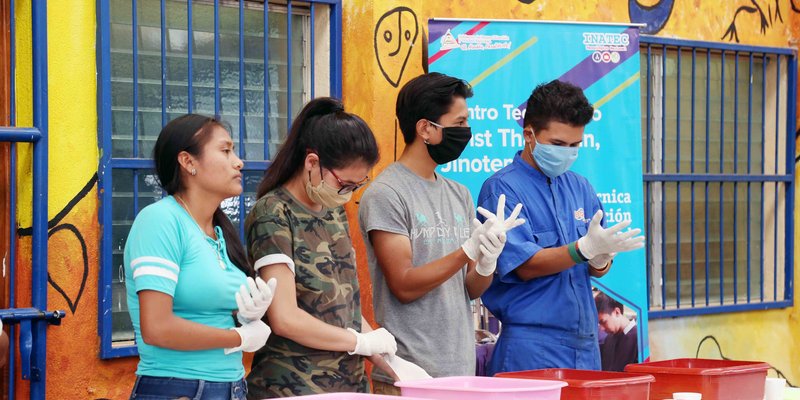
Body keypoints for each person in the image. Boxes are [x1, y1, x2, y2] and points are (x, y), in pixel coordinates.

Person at [359, 72, 523, 395]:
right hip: (408, 376)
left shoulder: (459, 193)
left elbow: (471, 288)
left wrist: (487, 261)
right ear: (426, 129)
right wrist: (466, 250)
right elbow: (403, 284)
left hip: (460, 374)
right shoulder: (387, 193)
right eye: (459, 123)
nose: (466, 132)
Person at [478, 80, 645, 374]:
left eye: (575, 146)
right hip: (531, 347)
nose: (566, 153)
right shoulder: (502, 189)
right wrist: (583, 249)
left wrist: (601, 257)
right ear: (529, 134)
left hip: (585, 344)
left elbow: (593, 269)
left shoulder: (580, 187)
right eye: (557, 144)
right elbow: (525, 266)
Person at [244, 97, 398, 398]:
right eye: (344, 184)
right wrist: (358, 342)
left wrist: (388, 359)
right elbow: (285, 318)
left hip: (349, 386)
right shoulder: (273, 213)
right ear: (312, 162)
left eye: (357, 186)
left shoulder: (333, 211)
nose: (347, 194)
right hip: (293, 387)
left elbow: (342, 305)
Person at [125, 114, 275, 400]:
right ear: (188, 162)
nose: (239, 162)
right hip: (179, 389)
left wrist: (246, 317)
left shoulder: (220, 232)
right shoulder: (161, 220)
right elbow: (157, 328)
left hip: (232, 387)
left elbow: (210, 313)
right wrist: (239, 337)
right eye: (225, 150)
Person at [595, 292, 638, 371]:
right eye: (599, 324)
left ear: (617, 312)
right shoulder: (608, 339)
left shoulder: (638, 338)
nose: (601, 328)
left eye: (604, 322)